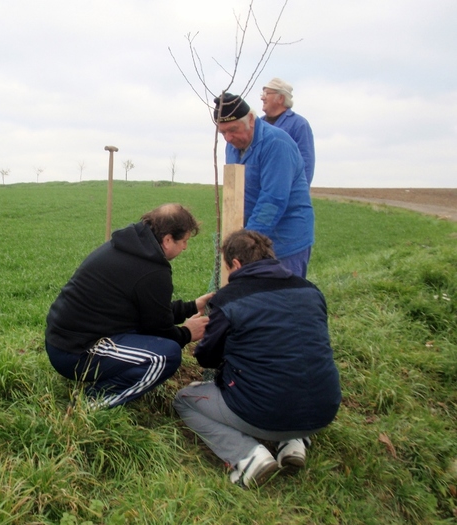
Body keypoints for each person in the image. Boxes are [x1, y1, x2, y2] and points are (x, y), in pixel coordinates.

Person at [173, 229, 341, 488]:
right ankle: (293, 442)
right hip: (324, 408)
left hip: (264, 410)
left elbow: (207, 358)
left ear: (236, 263)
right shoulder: (310, 290)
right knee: (292, 372)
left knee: (185, 400)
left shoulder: (230, 299)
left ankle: (247, 456)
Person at [45, 203, 212, 409]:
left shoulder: (128, 247)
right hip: (76, 352)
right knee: (165, 356)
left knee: (153, 340)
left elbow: (152, 313)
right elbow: (159, 329)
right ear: (168, 240)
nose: (185, 247)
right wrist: (187, 333)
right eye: (184, 241)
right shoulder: (153, 271)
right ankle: (91, 403)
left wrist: (192, 307)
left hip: (63, 341)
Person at [214, 92, 314, 278]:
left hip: (285, 241)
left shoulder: (276, 143)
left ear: (251, 120)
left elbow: (273, 200)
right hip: (253, 240)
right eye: (223, 132)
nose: (228, 138)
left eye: (233, 130)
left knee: (283, 294)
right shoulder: (233, 145)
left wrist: (245, 242)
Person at [260, 78, 316, 187]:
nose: (262, 98)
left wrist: (299, 191)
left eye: (267, 93)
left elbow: (307, 163)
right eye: (262, 94)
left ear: (280, 98)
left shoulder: (299, 124)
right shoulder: (258, 125)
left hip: (287, 190)